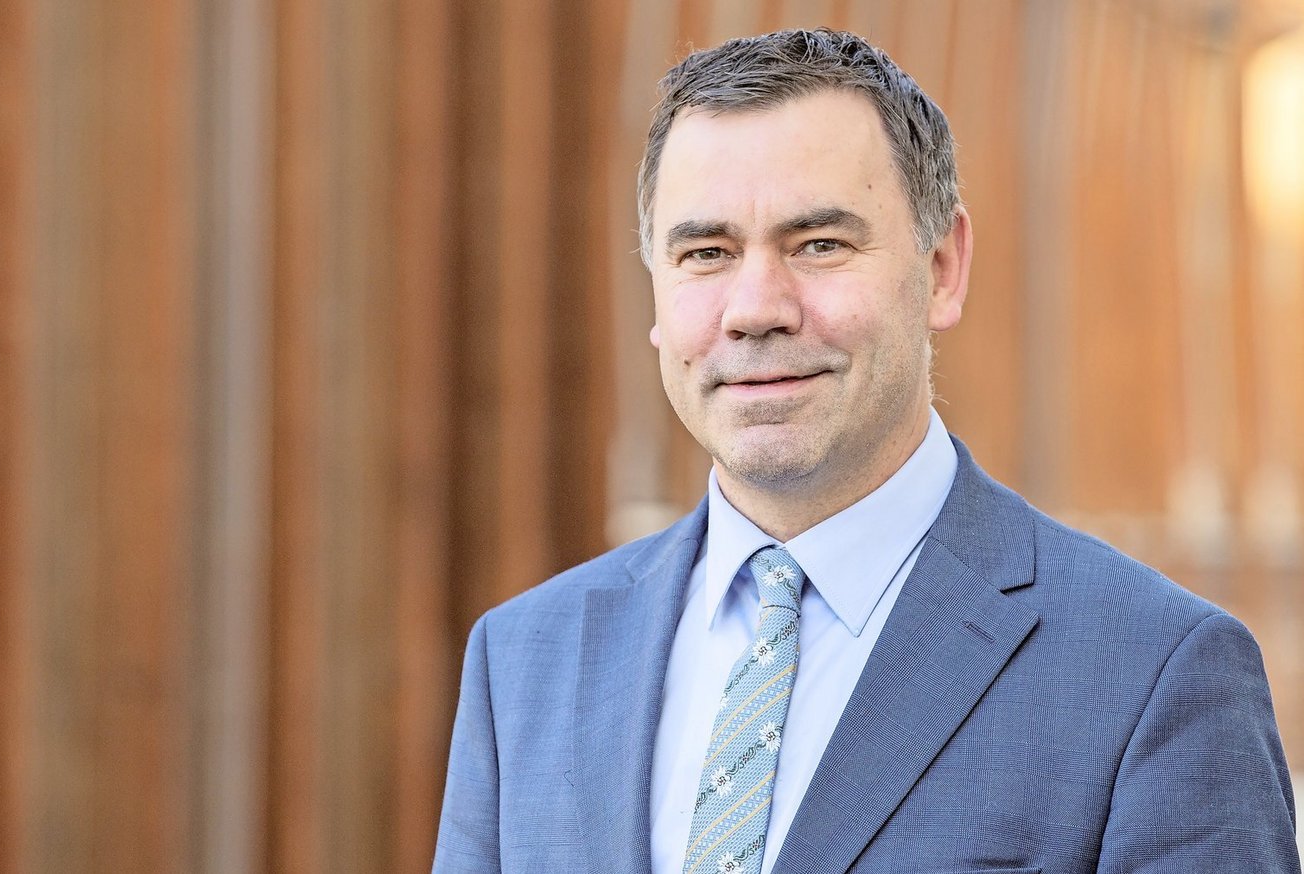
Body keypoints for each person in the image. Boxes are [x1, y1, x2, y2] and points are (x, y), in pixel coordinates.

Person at [433, 27, 1300, 874]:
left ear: (943, 268)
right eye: (706, 252)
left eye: (820, 245)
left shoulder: (1154, 674)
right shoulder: (525, 661)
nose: (755, 308)